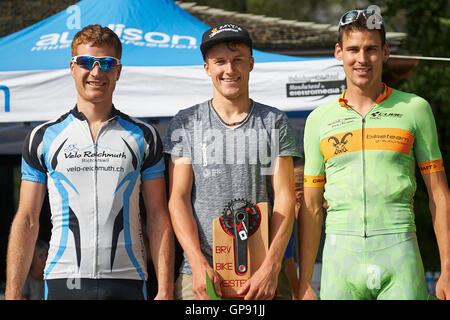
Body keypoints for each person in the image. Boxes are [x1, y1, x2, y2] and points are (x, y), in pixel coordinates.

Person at [5, 24, 174, 300]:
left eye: (107, 63)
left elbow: (157, 215)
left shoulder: (144, 136)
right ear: (72, 67)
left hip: (127, 280)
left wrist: (165, 290)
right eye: (86, 62)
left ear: (118, 71)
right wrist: (13, 293)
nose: (97, 72)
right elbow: (27, 219)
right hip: (62, 279)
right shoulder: (43, 137)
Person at [298, 9, 450, 300]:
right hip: (340, 258)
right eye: (353, 49)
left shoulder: (415, 109)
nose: (362, 59)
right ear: (338, 53)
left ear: (385, 52)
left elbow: (439, 194)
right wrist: (304, 281)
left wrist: (448, 269)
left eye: (371, 49)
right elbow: (312, 207)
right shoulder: (319, 119)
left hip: (399, 251)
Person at [164, 23, 301, 300]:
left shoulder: (274, 121)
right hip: (200, 275)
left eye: (238, 60)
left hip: (262, 274)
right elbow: (177, 199)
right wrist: (198, 263)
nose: (229, 69)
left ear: (251, 64)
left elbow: (285, 199)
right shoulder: (186, 122)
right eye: (220, 62)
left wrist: (272, 265)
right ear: (206, 68)